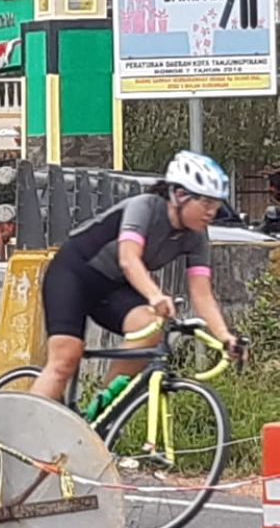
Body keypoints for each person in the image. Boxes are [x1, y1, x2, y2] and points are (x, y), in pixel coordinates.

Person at [30, 151, 244, 402]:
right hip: (74, 273)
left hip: (111, 287)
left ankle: (100, 411)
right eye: (206, 203)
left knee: (149, 330)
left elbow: (201, 292)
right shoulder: (144, 207)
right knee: (65, 358)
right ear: (180, 195)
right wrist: (154, 295)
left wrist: (225, 337)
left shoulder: (196, 236)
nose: (211, 212)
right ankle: (29, 435)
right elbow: (128, 259)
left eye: (216, 205)